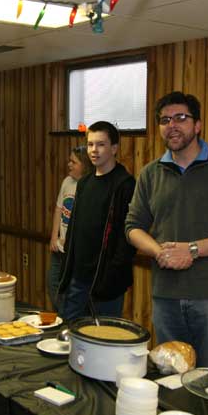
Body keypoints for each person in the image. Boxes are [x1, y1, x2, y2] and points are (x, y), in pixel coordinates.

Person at [125, 91, 208, 371]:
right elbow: (133, 227)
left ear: (197, 125)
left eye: (181, 118)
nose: (172, 125)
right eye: (165, 120)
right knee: (171, 381)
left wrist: (193, 250)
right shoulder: (150, 173)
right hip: (166, 299)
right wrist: (159, 251)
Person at [57, 121, 136, 321]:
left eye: (101, 144)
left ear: (114, 148)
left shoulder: (125, 184)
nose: (94, 150)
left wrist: (112, 276)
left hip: (106, 281)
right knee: (70, 336)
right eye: (90, 144)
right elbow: (74, 228)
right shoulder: (84, 183)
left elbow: (126, 237)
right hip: (78, 278)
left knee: (104, 340)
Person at [46, 145, 92, 311]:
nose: (69, 165)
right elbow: (59, 209)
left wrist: (72, 240)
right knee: (53, 285)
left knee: (74, 292)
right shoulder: (67, 182)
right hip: (59, 248)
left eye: (73, 162)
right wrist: (54, 237)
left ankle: (70, 321)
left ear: (84, 165)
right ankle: (63, 318)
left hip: (75, 253)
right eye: (69, 161)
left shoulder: (90, 186)